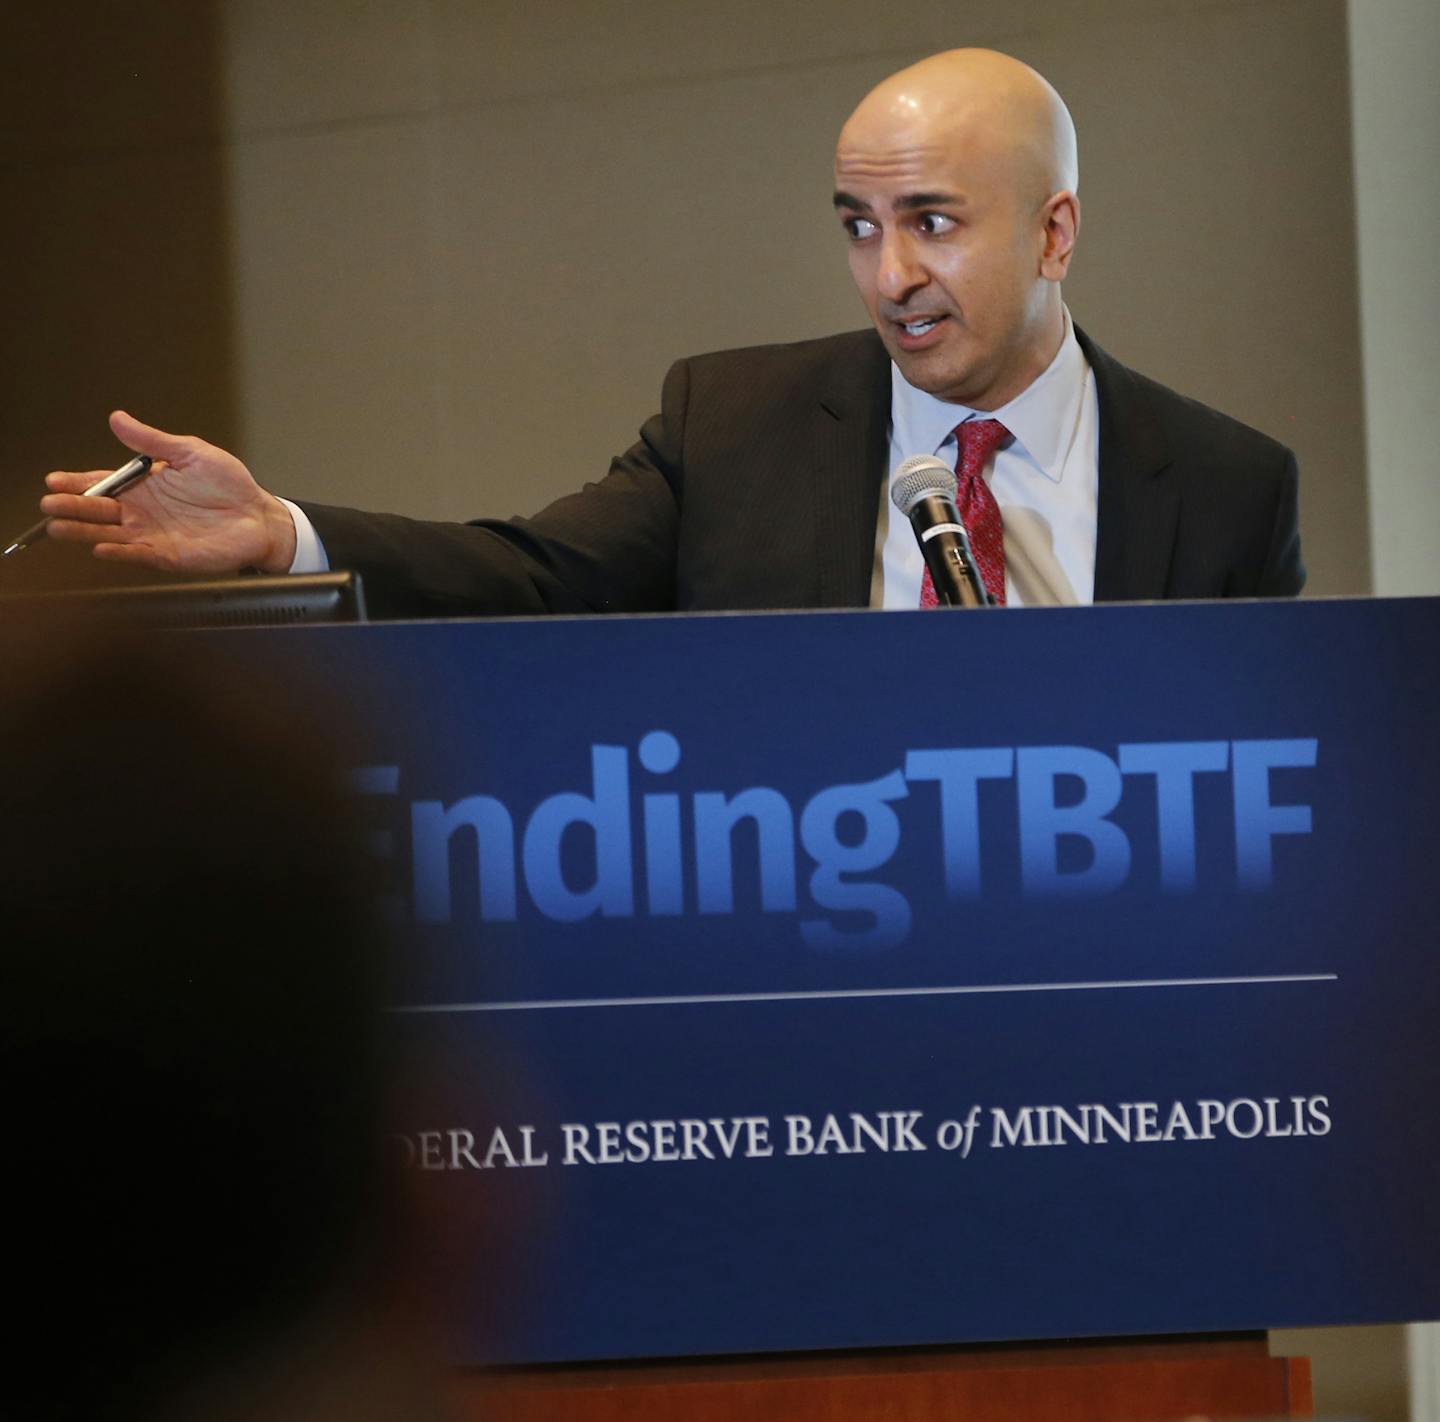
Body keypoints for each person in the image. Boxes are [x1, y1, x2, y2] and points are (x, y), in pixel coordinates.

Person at [37, 49, 1304, 618]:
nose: (891, 274)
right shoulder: (733, 427)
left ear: (1054, 232)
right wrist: (282, 534)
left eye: (932, 220)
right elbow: (531, 578)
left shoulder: (1227, 484)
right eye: (858, 225)